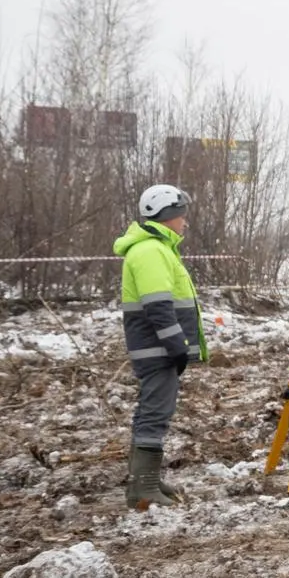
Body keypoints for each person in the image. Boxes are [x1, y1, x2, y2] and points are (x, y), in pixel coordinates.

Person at [116, 184, 206, 510]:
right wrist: (177, 345)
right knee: (155, 414)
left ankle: (146, 481)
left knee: (154, 413)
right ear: (167, 214)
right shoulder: (151, 251)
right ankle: (143, 490)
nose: (185, 222)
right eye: (181, 215)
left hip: (157, 348)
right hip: (157, 349)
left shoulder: (156, 249)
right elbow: (158, 306)